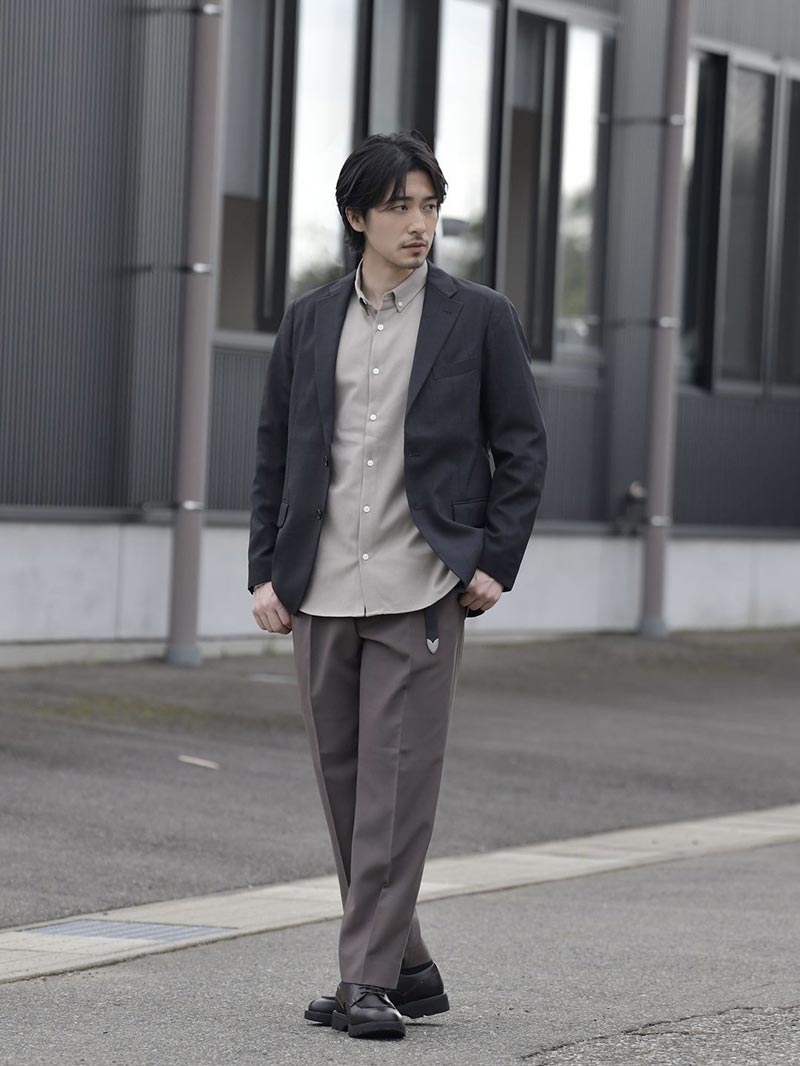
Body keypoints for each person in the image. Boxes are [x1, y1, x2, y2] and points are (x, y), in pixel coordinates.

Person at [248, 129, 547, 1040]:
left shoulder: (478, 315)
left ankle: (366, 980)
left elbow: (522, 444)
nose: (419, 224)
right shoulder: (309, 320)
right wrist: (264, 568)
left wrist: (495, 559)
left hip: (423, 585)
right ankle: (406, 965)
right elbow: (276, 450)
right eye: (399, 207)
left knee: (396, 787)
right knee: (346, 789)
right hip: (320, 584)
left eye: (430, 206)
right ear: (357, 217)